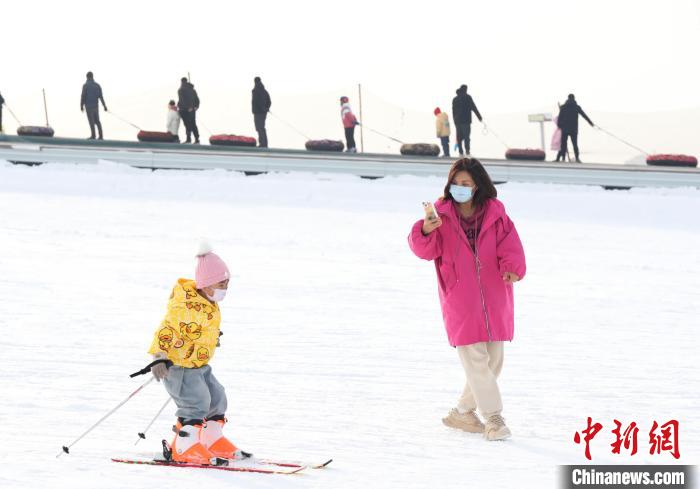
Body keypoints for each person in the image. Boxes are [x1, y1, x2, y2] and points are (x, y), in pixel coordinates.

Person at [407, 157, 526, 441]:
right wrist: (425, 229)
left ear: (477, 186)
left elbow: (511, 245)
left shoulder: (496, 214)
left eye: (466, 184)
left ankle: (461, 412)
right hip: (461, 300)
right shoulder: (440, 215)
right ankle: (494, 419)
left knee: (493, 361)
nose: (459, 188)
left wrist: (512, 268)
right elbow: (423, 249)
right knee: (476, 361)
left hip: (495, 296)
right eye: (455, 183)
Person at [148, 242, 248, 465]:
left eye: (228, 283)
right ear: (207, 283)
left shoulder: (208, 300)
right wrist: (159, 355)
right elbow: (167, 329)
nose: (226, 288)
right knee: (196, 402)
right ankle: (183, 448)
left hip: (199, 364)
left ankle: (210, 440)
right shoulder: (184, 306)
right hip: (179, 367)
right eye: (222, 283)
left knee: (216, 397)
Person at [555, 94, 594, 163]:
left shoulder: (563, 107)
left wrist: (559, 126)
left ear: (568, 98)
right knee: (575, 144)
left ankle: (563, 158)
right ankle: (577, 158)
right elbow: (584, 115)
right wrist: (591, 123)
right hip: (574, 129)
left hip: (565, 129)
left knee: (563, 144)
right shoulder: (576, 107)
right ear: (574, 98)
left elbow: (560, 118)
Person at [451, 84, 482, 156]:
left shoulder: (455, 99)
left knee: (459, 137)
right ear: (465, 89)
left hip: (457, 121)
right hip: (466, 121)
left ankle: (460, 152)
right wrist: (479, 117)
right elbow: (474, 107)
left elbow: (453, 111)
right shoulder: (468, 97)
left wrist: (455, 121)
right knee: (466, 137)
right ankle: (467, 151)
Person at [80, 72, 108, 140]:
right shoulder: (97, 85)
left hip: (89, 107)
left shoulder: (85, 85)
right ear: (92, 76)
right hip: (96, 106)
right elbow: (101, 97)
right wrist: (104, 106)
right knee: (97, 121)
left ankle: (93, 135)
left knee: (91, 121)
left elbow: (83, 96)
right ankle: (101, 136)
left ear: (87, 77)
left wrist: (81, 105)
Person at [177, 77, 200, 144]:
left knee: (187, 125)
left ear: (181, 81)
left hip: (184, 110)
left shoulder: (180, 90)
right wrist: (195, 107)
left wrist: (186, 108)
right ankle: (197, 139)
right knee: (193, 124)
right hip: (192, 110)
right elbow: (197, 100)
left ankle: (188, 139)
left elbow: (182, 101)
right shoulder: (193, 90)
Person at [251, 77, 271, 148]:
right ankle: (263, 143)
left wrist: (262, 108)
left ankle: (263, 144)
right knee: (261, 128)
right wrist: (266, 108)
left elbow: (256, 102)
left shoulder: (255, 91)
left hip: (258, 113)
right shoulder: (265, 91)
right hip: (263, 113)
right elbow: (269, 101)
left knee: (259, 128)